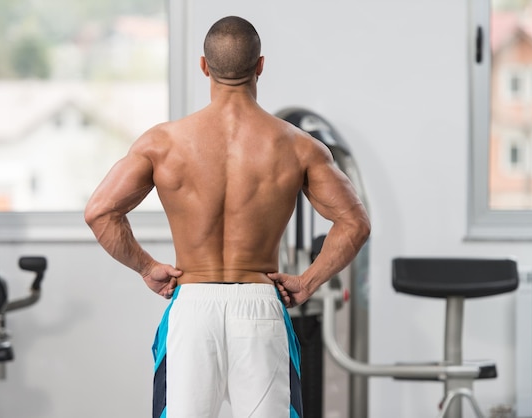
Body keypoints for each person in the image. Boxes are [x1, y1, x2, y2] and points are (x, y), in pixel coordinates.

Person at [85, 15, 370, 418]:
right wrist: (306, 283)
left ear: (204, 66)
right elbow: (355, 222)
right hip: (261, 307)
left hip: (192, 305)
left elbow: (100, 212)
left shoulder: (162, 143)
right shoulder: (298, 146)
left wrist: (148, 267)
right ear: (260, 65)